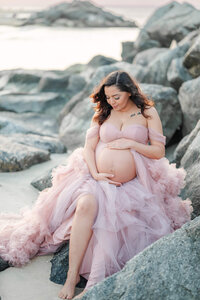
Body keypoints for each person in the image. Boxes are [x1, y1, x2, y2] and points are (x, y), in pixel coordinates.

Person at [0, 70, 193, 299]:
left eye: (116, 97)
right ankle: (72, 277)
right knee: (86, 206)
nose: (112, 102)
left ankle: (94, 284)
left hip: (131, 184)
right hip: (94, 178)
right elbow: (89, 148)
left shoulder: (147, 112)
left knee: (112, 219)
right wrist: (96, 174)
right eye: (108, 97)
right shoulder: (103, 113)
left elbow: (158, 151)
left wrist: (131, 143)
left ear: (130, 92)